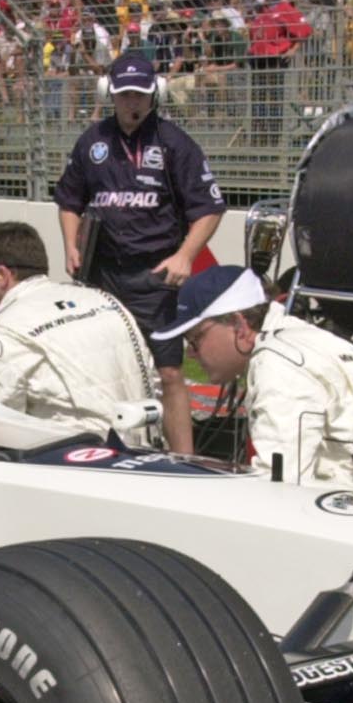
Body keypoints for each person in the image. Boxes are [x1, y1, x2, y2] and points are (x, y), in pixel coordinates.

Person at [153, 266, 353, 504]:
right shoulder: (309, 341)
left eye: (195, 338)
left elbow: (279, 493)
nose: (191, 352)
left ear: (239, 324)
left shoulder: (280, 365)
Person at [52, 52, 224, 456]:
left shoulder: (175, 144)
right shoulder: (92, 141)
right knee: (96, 368)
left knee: (169, 372)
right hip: (101, 276)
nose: (132, 102)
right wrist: (70, 245)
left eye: (140, 94)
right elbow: (69, 200)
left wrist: (185, 255)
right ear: (109, 93)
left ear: (155, 94)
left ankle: (184, 460)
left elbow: (211, 209)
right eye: (125, 94)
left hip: (155, 278)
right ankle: (102, 450)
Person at [0, 220, 159, 441]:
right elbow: (153, 382)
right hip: (145, 455)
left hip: (74, 463)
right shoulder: (104, 300)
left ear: (2, 275)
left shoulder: (2, 334)